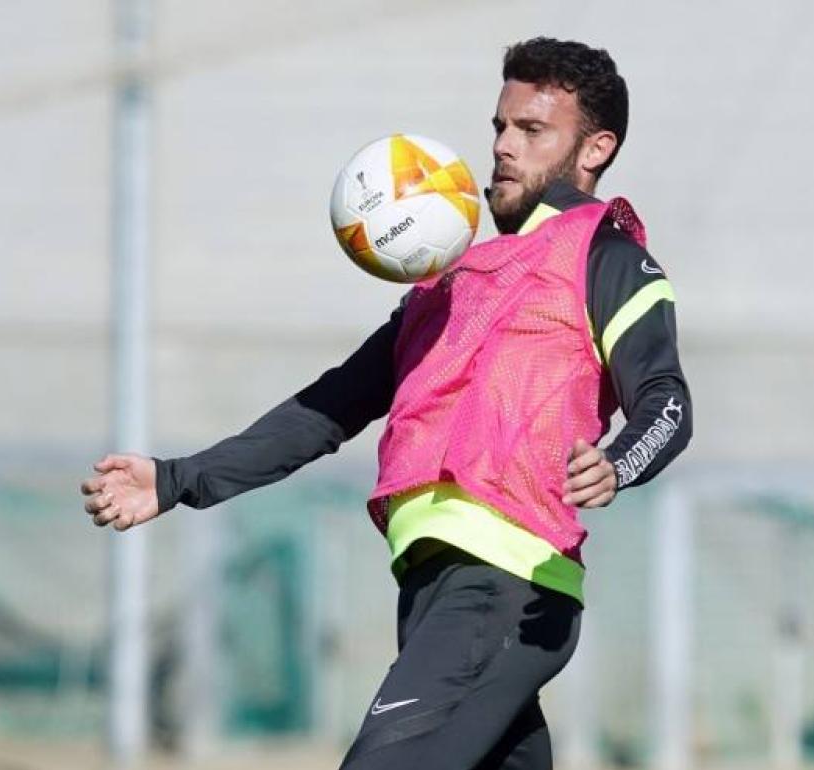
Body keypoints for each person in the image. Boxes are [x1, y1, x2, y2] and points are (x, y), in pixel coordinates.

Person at [80, 37, 692, 770]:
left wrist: (619, 464)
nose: (502, 146)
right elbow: (331, 405)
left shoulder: (606, 255)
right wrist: (179, 479)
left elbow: (667, 402)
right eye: (499, 126)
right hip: (435, 588)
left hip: (506, 584)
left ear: (595, 149)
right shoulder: (450, 279)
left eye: (531, 131)